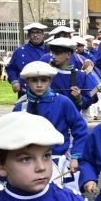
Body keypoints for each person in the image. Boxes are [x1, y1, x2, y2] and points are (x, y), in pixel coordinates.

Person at [12, 61, 89, 191]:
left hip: (58, 160)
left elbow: (80, 128)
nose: (39, 84)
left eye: (43, 80)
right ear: (26, 82)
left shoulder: (63, 102)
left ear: (50, 81)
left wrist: (76, 157)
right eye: (34, 80)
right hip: (29, 163)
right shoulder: (21, 107)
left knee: (68, 198)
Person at [6, 23, 49, 95]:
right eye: (32, 32)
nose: (35, 35)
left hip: (47, 92)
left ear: (43, 34)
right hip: (25, 92)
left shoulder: (50, 51)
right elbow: (11, 68)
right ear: (28, 35)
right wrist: (14, 81)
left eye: (38, 32)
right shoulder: (19, 51)